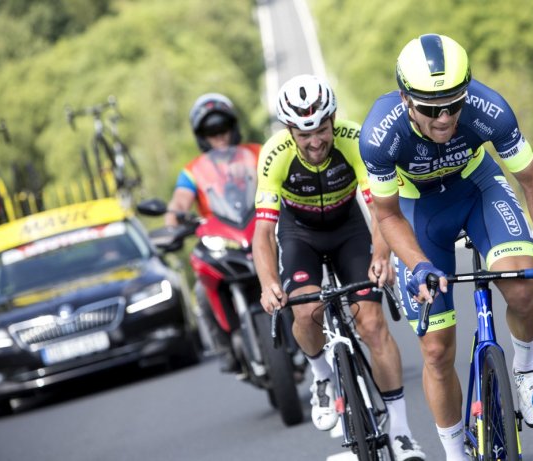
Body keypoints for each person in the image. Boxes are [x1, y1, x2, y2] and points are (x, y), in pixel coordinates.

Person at [359, 34, 533, 461]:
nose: (444, 118)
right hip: (418, 210)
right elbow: (386, 215)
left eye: (453, 105)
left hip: (478, 189)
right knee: (437, 349)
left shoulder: (488, 108)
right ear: (405, 100)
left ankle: (526, 364)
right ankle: (455, 453)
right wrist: (419, 264)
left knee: (520, 287)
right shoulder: (379, 135)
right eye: (429, 108)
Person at [253, 74, 425, 461]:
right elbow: (263, 233)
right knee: (306, 310)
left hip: (348, 229)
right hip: (300, 235)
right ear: (289, 131)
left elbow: (383, 208)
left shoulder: (355, 139)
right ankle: (321, 377)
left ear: (332, 120)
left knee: (372, 324)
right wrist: (267, 284)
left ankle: (401, 432)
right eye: (304, 134)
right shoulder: (274, 154)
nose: (315, 142)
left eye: (322, 131)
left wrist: (382, 256)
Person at [165, 93, 260, 373]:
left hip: (261, 229)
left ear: (233, 128)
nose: (219, 136)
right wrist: (173, 223)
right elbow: (180, 201)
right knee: (202, 291)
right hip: (222, 240)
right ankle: (227, 349)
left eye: (223, 128)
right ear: (202, 136)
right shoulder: (193, 171)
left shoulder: (257, 153)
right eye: (211, 131)